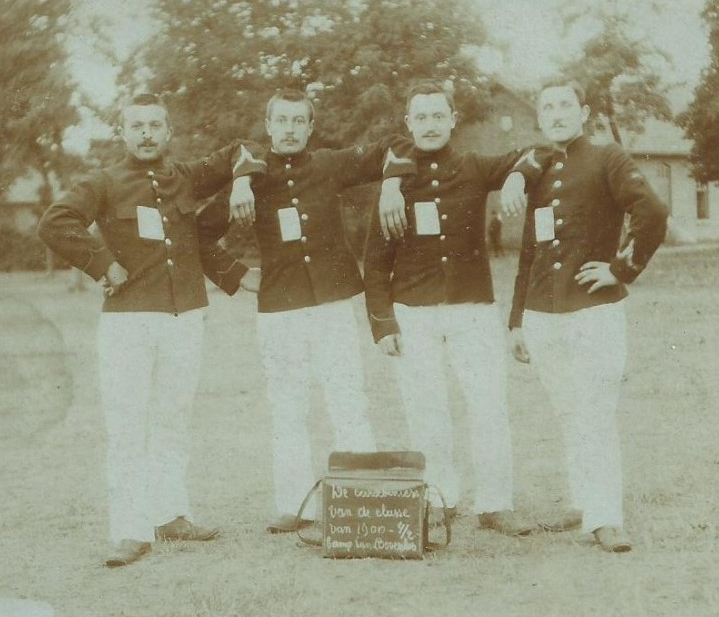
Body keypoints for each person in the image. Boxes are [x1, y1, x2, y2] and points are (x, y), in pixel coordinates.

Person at [37, 93, 263, 567]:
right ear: (122, 132)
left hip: (185, 317)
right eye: (136, 126)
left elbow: (243, 148)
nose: (146, 134)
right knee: (127, 425)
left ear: (168, 132)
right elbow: (55, 222)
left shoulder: (185, 177)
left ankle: (170, 514)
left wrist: (242, 183)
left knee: (173, 419)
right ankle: (129, 530)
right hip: (129, 321)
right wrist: (102, 264)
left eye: (155, 125)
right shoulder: (102, 181)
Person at [224, 88, 412, 534]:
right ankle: (294, 504)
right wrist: (235, 274)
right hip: (279, 309)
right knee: (287, 406)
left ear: (310, 127)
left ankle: (359, 500)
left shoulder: (330, 164)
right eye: (281, 121)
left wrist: (390, 186)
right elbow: (200, 228)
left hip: (332, 305)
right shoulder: (253, 178)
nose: (289, 129)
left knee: (347, 398)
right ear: (268, 126)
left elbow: (397, 145)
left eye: (298, 121)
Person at [501, 77, 669, 553]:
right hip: (542, 315)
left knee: (596, 413)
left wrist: (622, 268)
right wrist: (516, 320)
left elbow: (652, 211)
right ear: (540, 116)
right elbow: (530, 252)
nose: (556, 114)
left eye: (564, 105)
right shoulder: (537, 168)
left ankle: (607, 517)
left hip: (593, 312)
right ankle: (583, 503)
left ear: (583, 111)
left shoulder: (607, 158)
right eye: (547, 106)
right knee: (569, 412)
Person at [365, 79, 538, 537]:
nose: (429, 125)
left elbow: (537, 153)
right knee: (427, 408)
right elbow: (375, 261)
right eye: (420, 117)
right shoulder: (394, 183)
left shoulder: (476, 166)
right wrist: (383, 322)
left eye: (438, 115)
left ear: (453, 120)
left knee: (488, 405)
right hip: (414, 311)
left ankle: (496, 503)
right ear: (408, 123)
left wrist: (517, 174)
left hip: (472, 308)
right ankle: (439, 496)